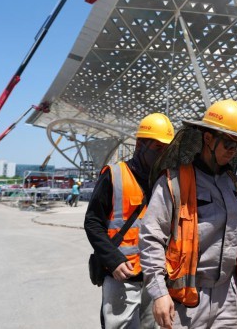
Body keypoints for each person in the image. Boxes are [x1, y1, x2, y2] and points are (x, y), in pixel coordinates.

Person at [139, 99, 237, 329]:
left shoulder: (236, 187)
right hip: (186, 299)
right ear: (208, 138)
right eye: (228, 143)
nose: (233, 150)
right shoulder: (173, 183)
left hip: (227, 296)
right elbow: (151, 239)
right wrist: (159, 293)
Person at [84, 113, 175, 329]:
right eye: (157, 148)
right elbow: (93, 222)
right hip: (121, 276)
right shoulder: (114, 176)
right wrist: (112, 259)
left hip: (154, 275)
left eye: (166, 149)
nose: (162, 154)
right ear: (140, 144)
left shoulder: (164, 181)